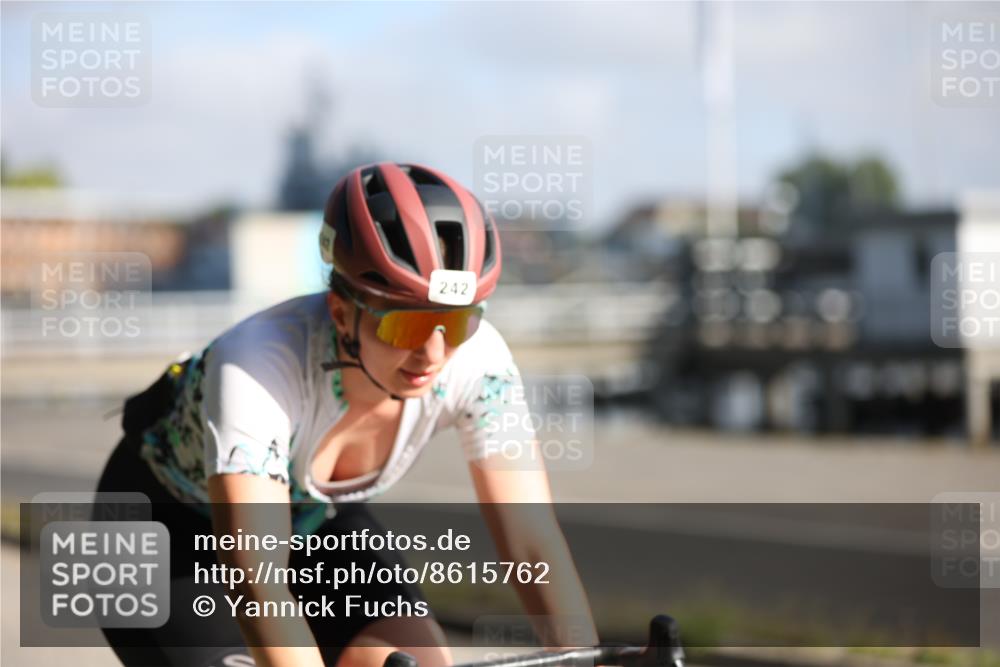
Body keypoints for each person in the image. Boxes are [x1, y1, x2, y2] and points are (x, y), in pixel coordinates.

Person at [94, 162, 599, 667]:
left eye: (456, 321)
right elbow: (256, 579)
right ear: (341, 312)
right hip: (165, 530)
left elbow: (532, 542)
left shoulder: (481, 360)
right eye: (406, 326)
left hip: (316, 523)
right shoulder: (257, 366)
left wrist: (584, 659)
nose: (433, 353)